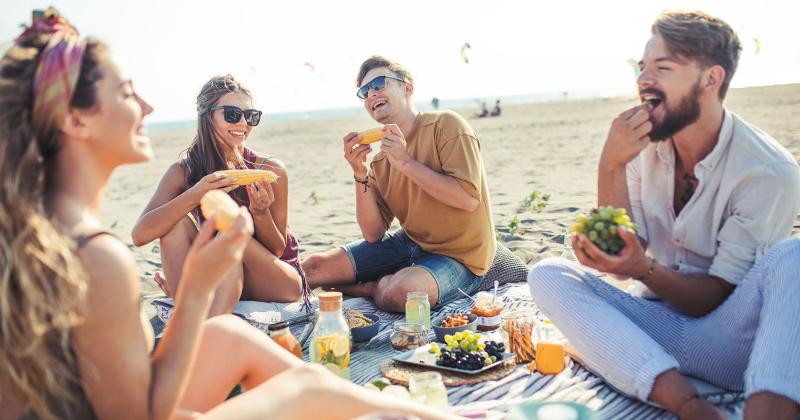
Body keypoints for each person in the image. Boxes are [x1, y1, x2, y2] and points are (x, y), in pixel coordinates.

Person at [0, 9, 456, 420]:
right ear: (76, 121)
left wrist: (244, 232)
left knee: (273, 360)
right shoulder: (98, 257)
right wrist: (198, 281)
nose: (148, 108)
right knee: (303, 389)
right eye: (126, 93)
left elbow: (278, 247)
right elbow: (140, 412)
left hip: (259, 285)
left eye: (249, 115)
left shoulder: (34, 229)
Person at [527, 11, 800, 420]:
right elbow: (619, 265)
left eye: (663, 67)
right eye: (642, 67)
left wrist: (642, 268)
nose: (643, 79)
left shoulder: (767, 171)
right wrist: (611, 166)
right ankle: (692, 408)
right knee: (547, 273)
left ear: (711, 79)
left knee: (793, 257)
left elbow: (711, 297)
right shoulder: (640, 147)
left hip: (732, 343)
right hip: (656, 327)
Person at [302, 56, 496, 312]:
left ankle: (369, 287)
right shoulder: (381, 161)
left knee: (400, 293)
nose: (371, 94)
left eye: (379, 84)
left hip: (463, 257)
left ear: (407, 88)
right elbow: (373, 233)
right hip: (411, 243)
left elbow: (467, 199)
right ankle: (386, 278)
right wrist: (359, 172)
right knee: (312, 268)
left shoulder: (446, 126)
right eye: (364, 91)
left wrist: (405, 162)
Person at [132, 74, 306, 316]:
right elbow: (140, 234)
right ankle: (193, 308)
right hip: (221, 277)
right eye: (233, 114)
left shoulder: (270, 169)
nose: (243, 124)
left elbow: (277, 250)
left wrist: (260, 212)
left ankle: (197, 312)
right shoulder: (183, 172)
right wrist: (196, 193)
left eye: (251, 116)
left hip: (277, 281)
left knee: (229, 236)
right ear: (207, 115)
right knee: (174, 223)